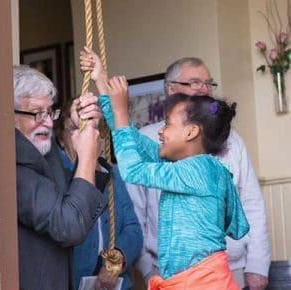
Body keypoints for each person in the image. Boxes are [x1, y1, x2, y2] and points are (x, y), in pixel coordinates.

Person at [80, 49, 250, 289]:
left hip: (203, 283)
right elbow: (133, 142)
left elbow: (132, 169)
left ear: (191, 132)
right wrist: (102, 81)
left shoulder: (197, 171)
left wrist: (120, 112)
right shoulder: (189, 166)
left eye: (168, 124)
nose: (161, 131)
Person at [127, 58, 271, 290]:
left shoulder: (233, 142)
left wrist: (257, 264)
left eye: (208, 83)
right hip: (166, 272)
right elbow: (135, 212)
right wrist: (146, 269)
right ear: (170, 89)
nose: (204, 88)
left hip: (229, 269)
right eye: (194, 82)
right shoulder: (152, 139)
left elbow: (251, 203)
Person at [14, 65, 107, 290]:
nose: (48, 122)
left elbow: (73, 196)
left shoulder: (42, 149)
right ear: (10, 116)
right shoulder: (11, 165)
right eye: (37, 113)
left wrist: (80, 126)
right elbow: (69, 225)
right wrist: (86, 157)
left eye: (50, 112)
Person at [54, 100, 143, 290]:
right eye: (75, 128)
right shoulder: (56, 175)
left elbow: (133, 229)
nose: (85, 135)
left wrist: (115, 262)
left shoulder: (113, 175)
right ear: (61, 137)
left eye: (91, 128)